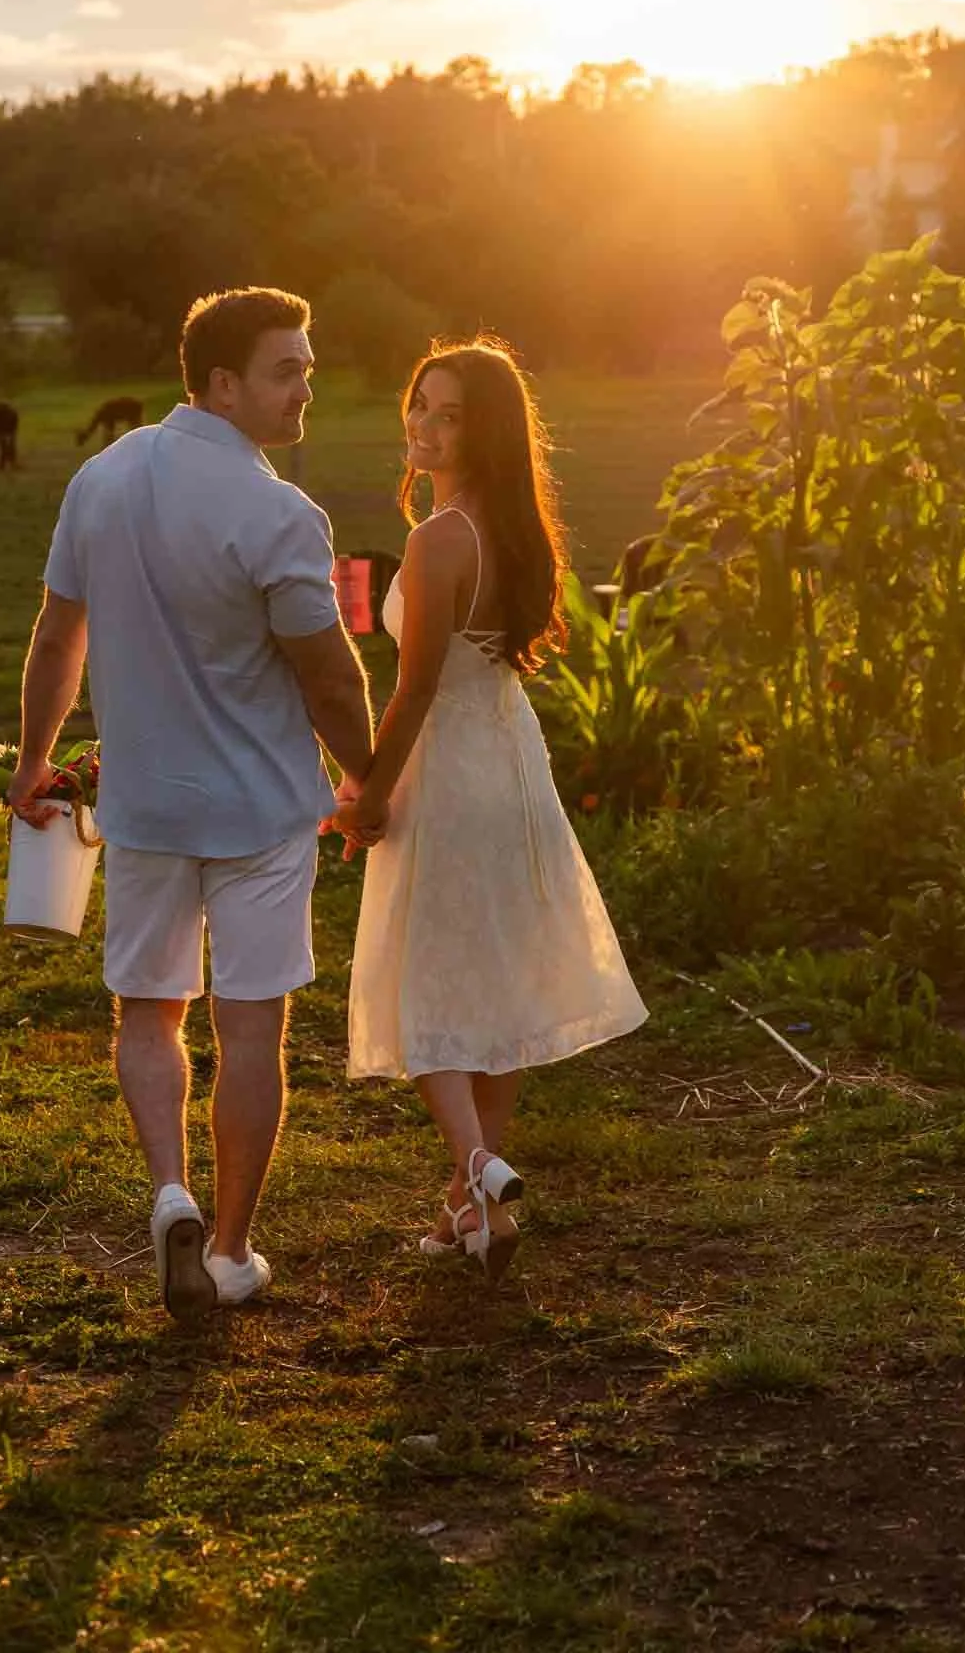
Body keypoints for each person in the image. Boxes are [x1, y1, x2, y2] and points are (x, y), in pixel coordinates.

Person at [8, 287, 381, 1321]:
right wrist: (370, 780)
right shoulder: (277, 512)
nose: (306, 386)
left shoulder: (102, 476)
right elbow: (330, 677)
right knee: (251, 1030)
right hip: (261, 813)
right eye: (285, 370)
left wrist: (36, 764)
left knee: (147, 1012)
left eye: (306, 366)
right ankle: (228, 1250)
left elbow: (55, 636)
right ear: (222, 382)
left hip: (143, 809)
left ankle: (170, 1189)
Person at [335, 338, 648, 1281]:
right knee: (497, 983)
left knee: (426, 978)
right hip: (514, 763)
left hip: (453, 771)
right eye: (418, 405)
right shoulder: (516, 533)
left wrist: (368, 796)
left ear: (488, 432)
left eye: (448, 413)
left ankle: (475, 1163)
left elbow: (415, 690)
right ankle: (475, 1212)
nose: (423, 426)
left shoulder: (440, 541)